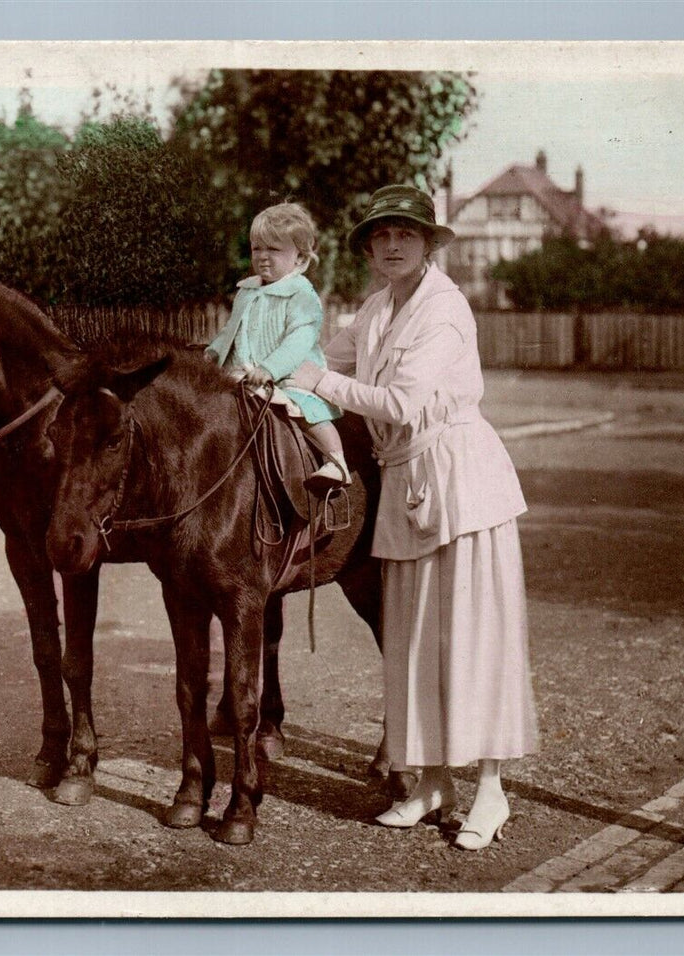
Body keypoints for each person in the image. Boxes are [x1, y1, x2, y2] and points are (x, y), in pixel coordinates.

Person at [290, 184, 538, 850]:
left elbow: (397, 403)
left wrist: (314, 383)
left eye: (405, 234)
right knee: (411, 641)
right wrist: (259, 369)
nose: (391, 246)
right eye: (380, 236)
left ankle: (490, 792)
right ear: (370, 249)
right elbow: (318, 360)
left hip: (461, 483)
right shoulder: (375, 308)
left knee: (472, 641)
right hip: (403, 486)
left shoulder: (443, 310)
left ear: (428, 243)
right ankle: (430, 784)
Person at [205, 202, 349, 488]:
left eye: (274, 250)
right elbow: (233, 329)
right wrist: (215, 351)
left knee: (308, 414)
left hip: (289, 376)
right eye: (257, 248)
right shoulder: (248, 291)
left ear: (299, 259)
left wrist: (271, 367)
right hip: (246, 373)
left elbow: (300, 339)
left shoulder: (301, 294)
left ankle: (336, 462)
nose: (263, 257)